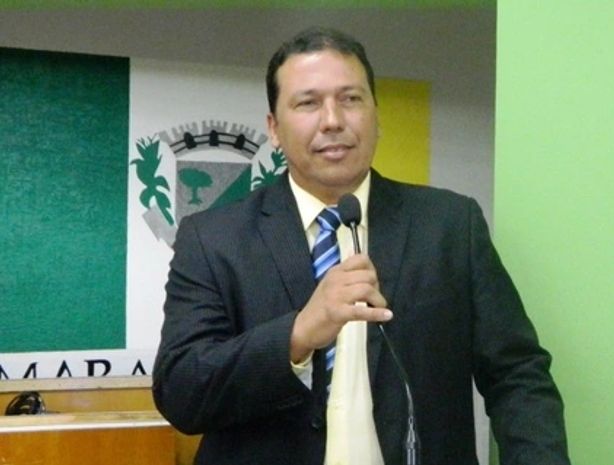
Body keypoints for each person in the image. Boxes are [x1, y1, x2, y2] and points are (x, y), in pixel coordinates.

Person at [152, 27, 570, 465]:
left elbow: (517, 374)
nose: (333, 120)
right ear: (273, 128)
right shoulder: (212, 238)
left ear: (376, 115)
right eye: (308, 103)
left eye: (350, 99)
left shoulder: (449, 225)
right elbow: (182, 392)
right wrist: (297, 335)